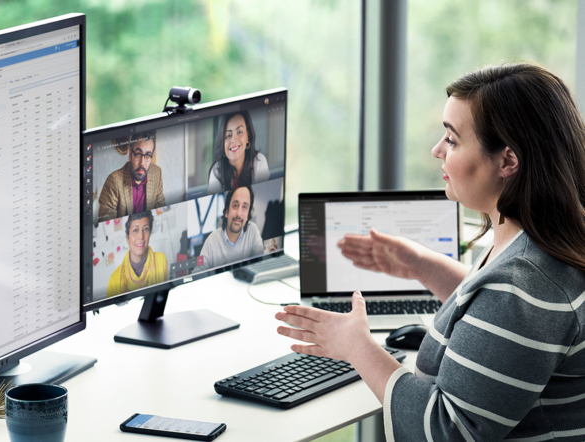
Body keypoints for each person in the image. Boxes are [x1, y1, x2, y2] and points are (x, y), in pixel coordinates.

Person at [276, 63, 585, 441]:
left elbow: (445, 431)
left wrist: (357, 347)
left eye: (452, 140)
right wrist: (425, 266)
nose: (437, 150)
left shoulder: (525, 286)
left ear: (507, 161)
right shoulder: (542, 240)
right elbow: (499, 321)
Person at [98, 131, 166, 222]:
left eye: (148, 156)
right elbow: (107, 223)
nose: (142, 163)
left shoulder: (157, 173)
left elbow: (160, 211)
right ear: (130, 155)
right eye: (138, 154)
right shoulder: (113, 181)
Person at [200, 186, 265, 269]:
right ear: (227, 212)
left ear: (248, 215)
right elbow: (198, 273)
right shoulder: (211, 241)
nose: (239, 214)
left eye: (244, 207)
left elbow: (261, 263)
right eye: (235, 206)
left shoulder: (253, 231)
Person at [107, 210, 168, 297]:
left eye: (146, 229)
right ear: (127, 238)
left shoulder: (160, 259)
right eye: (135, 230)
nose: (141, 236)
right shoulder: (114, 279)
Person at [208, 111, 270, 194]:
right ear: (222, 142)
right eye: (228, 135)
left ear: (248, 136)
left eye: (239, 132)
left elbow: (265, 196)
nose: (234, 140)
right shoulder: (216, 171)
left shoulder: (260, 161)